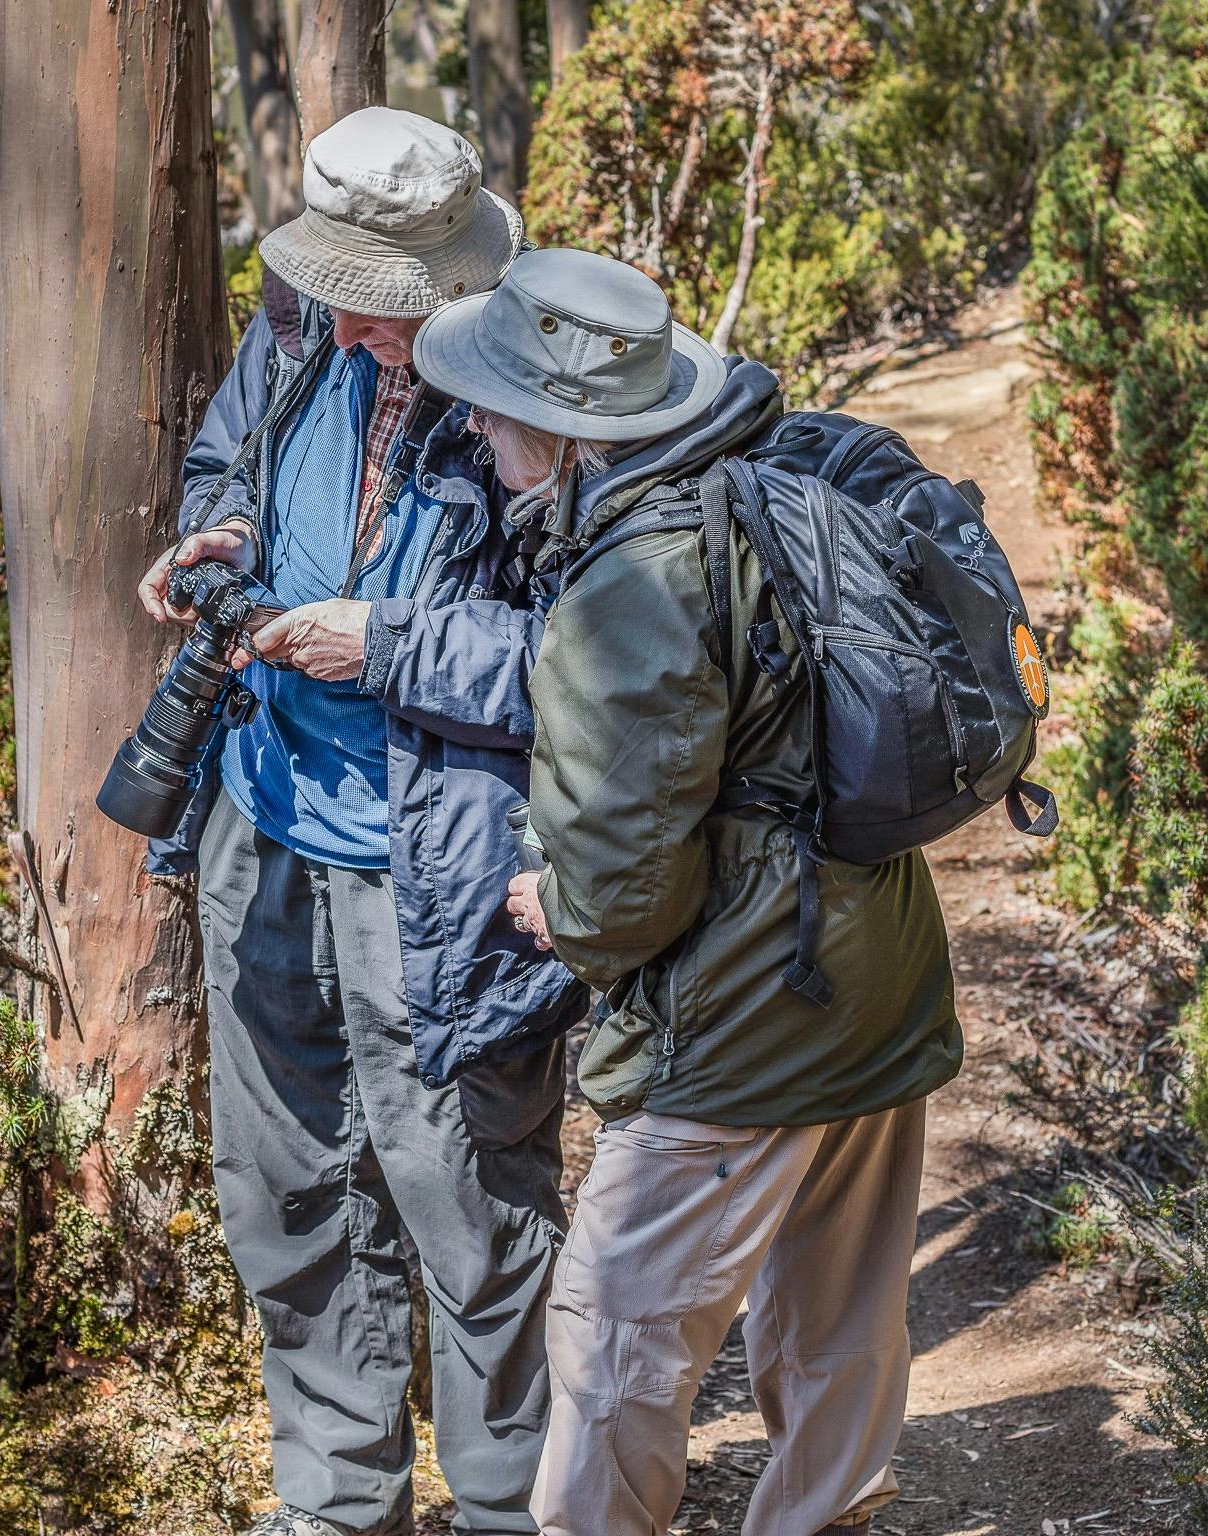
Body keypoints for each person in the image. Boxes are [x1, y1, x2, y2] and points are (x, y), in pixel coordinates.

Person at [411, 247, 961, 1536]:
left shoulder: (634, 582)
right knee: (842, 1311)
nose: (476, 421)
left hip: (740, 1025)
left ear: (564, 428)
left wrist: (561, 909)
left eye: (495, 402)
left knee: (614, 1339)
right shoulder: (760, 485)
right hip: (870, 968)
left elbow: (620, 882)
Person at [137, 109, 588, 1536]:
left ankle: (513, 1506)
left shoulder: (544, 388)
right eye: (346, 295)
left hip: (439, 861)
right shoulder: (292, 329)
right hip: (261, 823)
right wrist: (213, 535)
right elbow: (225, 464)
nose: (356, 328)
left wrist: (384, 643)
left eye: (388, 306)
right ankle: (337, 1505)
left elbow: (594, 659)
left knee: (473, 1206)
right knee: (284, 1190)